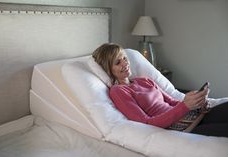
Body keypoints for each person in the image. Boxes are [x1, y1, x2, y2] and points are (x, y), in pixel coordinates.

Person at [92, 43, 228, 137]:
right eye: (118, 62)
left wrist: (195, 102)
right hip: (177, 126)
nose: (125, 64)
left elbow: (172, 102)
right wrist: (185, 106)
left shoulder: (144, 80)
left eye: (124, 58)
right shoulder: (118, 91)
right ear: (108, 69)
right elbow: (145, 122)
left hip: (187, 116)